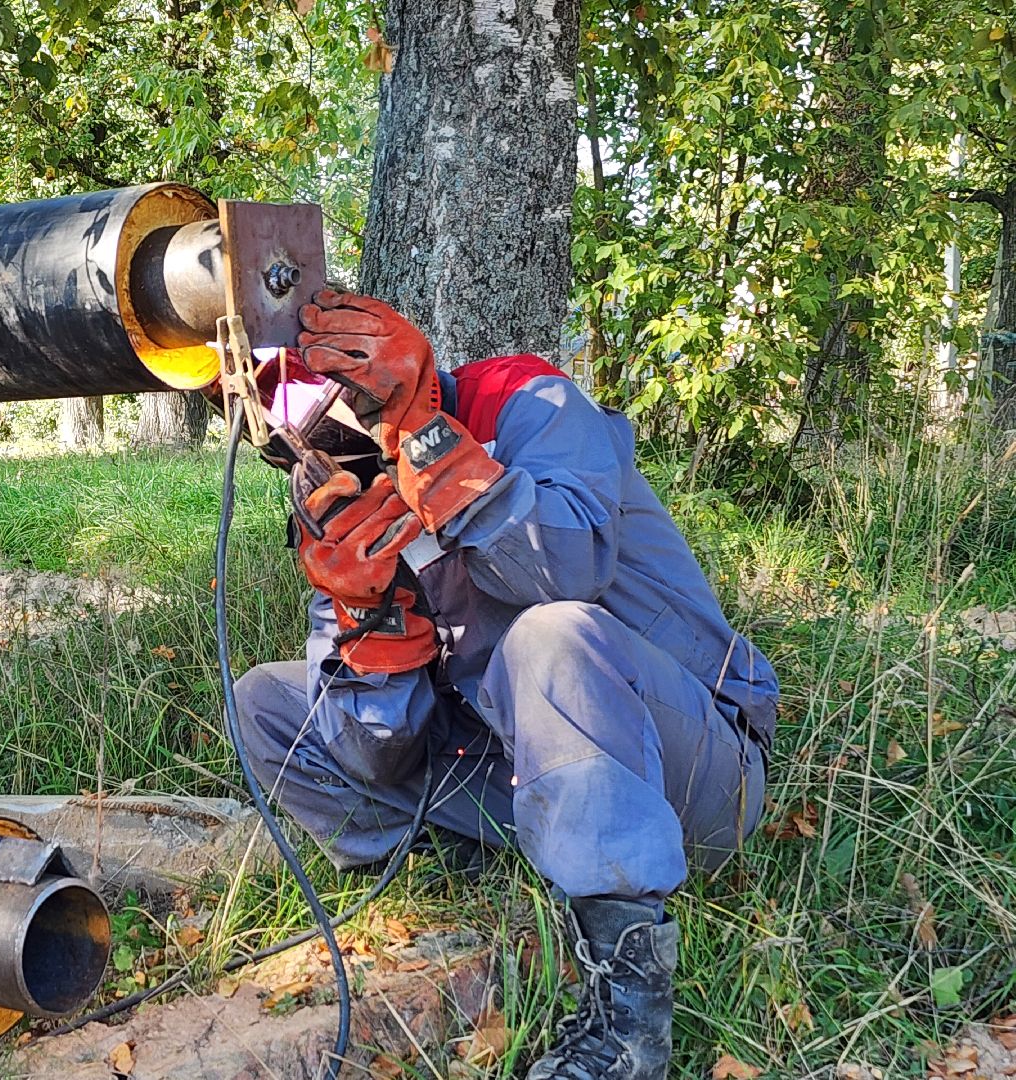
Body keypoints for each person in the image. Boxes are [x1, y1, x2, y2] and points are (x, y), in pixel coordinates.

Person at [234, 290, 778, 1080]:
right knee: (267, 702)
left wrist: (431, 450)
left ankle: (625, 1024)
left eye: (341, 408)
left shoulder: (532, 401)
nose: (326, 438)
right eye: (302, 434)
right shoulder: (344, 502)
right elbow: (370, 758)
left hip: (686, 768)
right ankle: (463, 879)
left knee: (549, 636)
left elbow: (569, 567)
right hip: (523, 769)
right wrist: (368, 623)